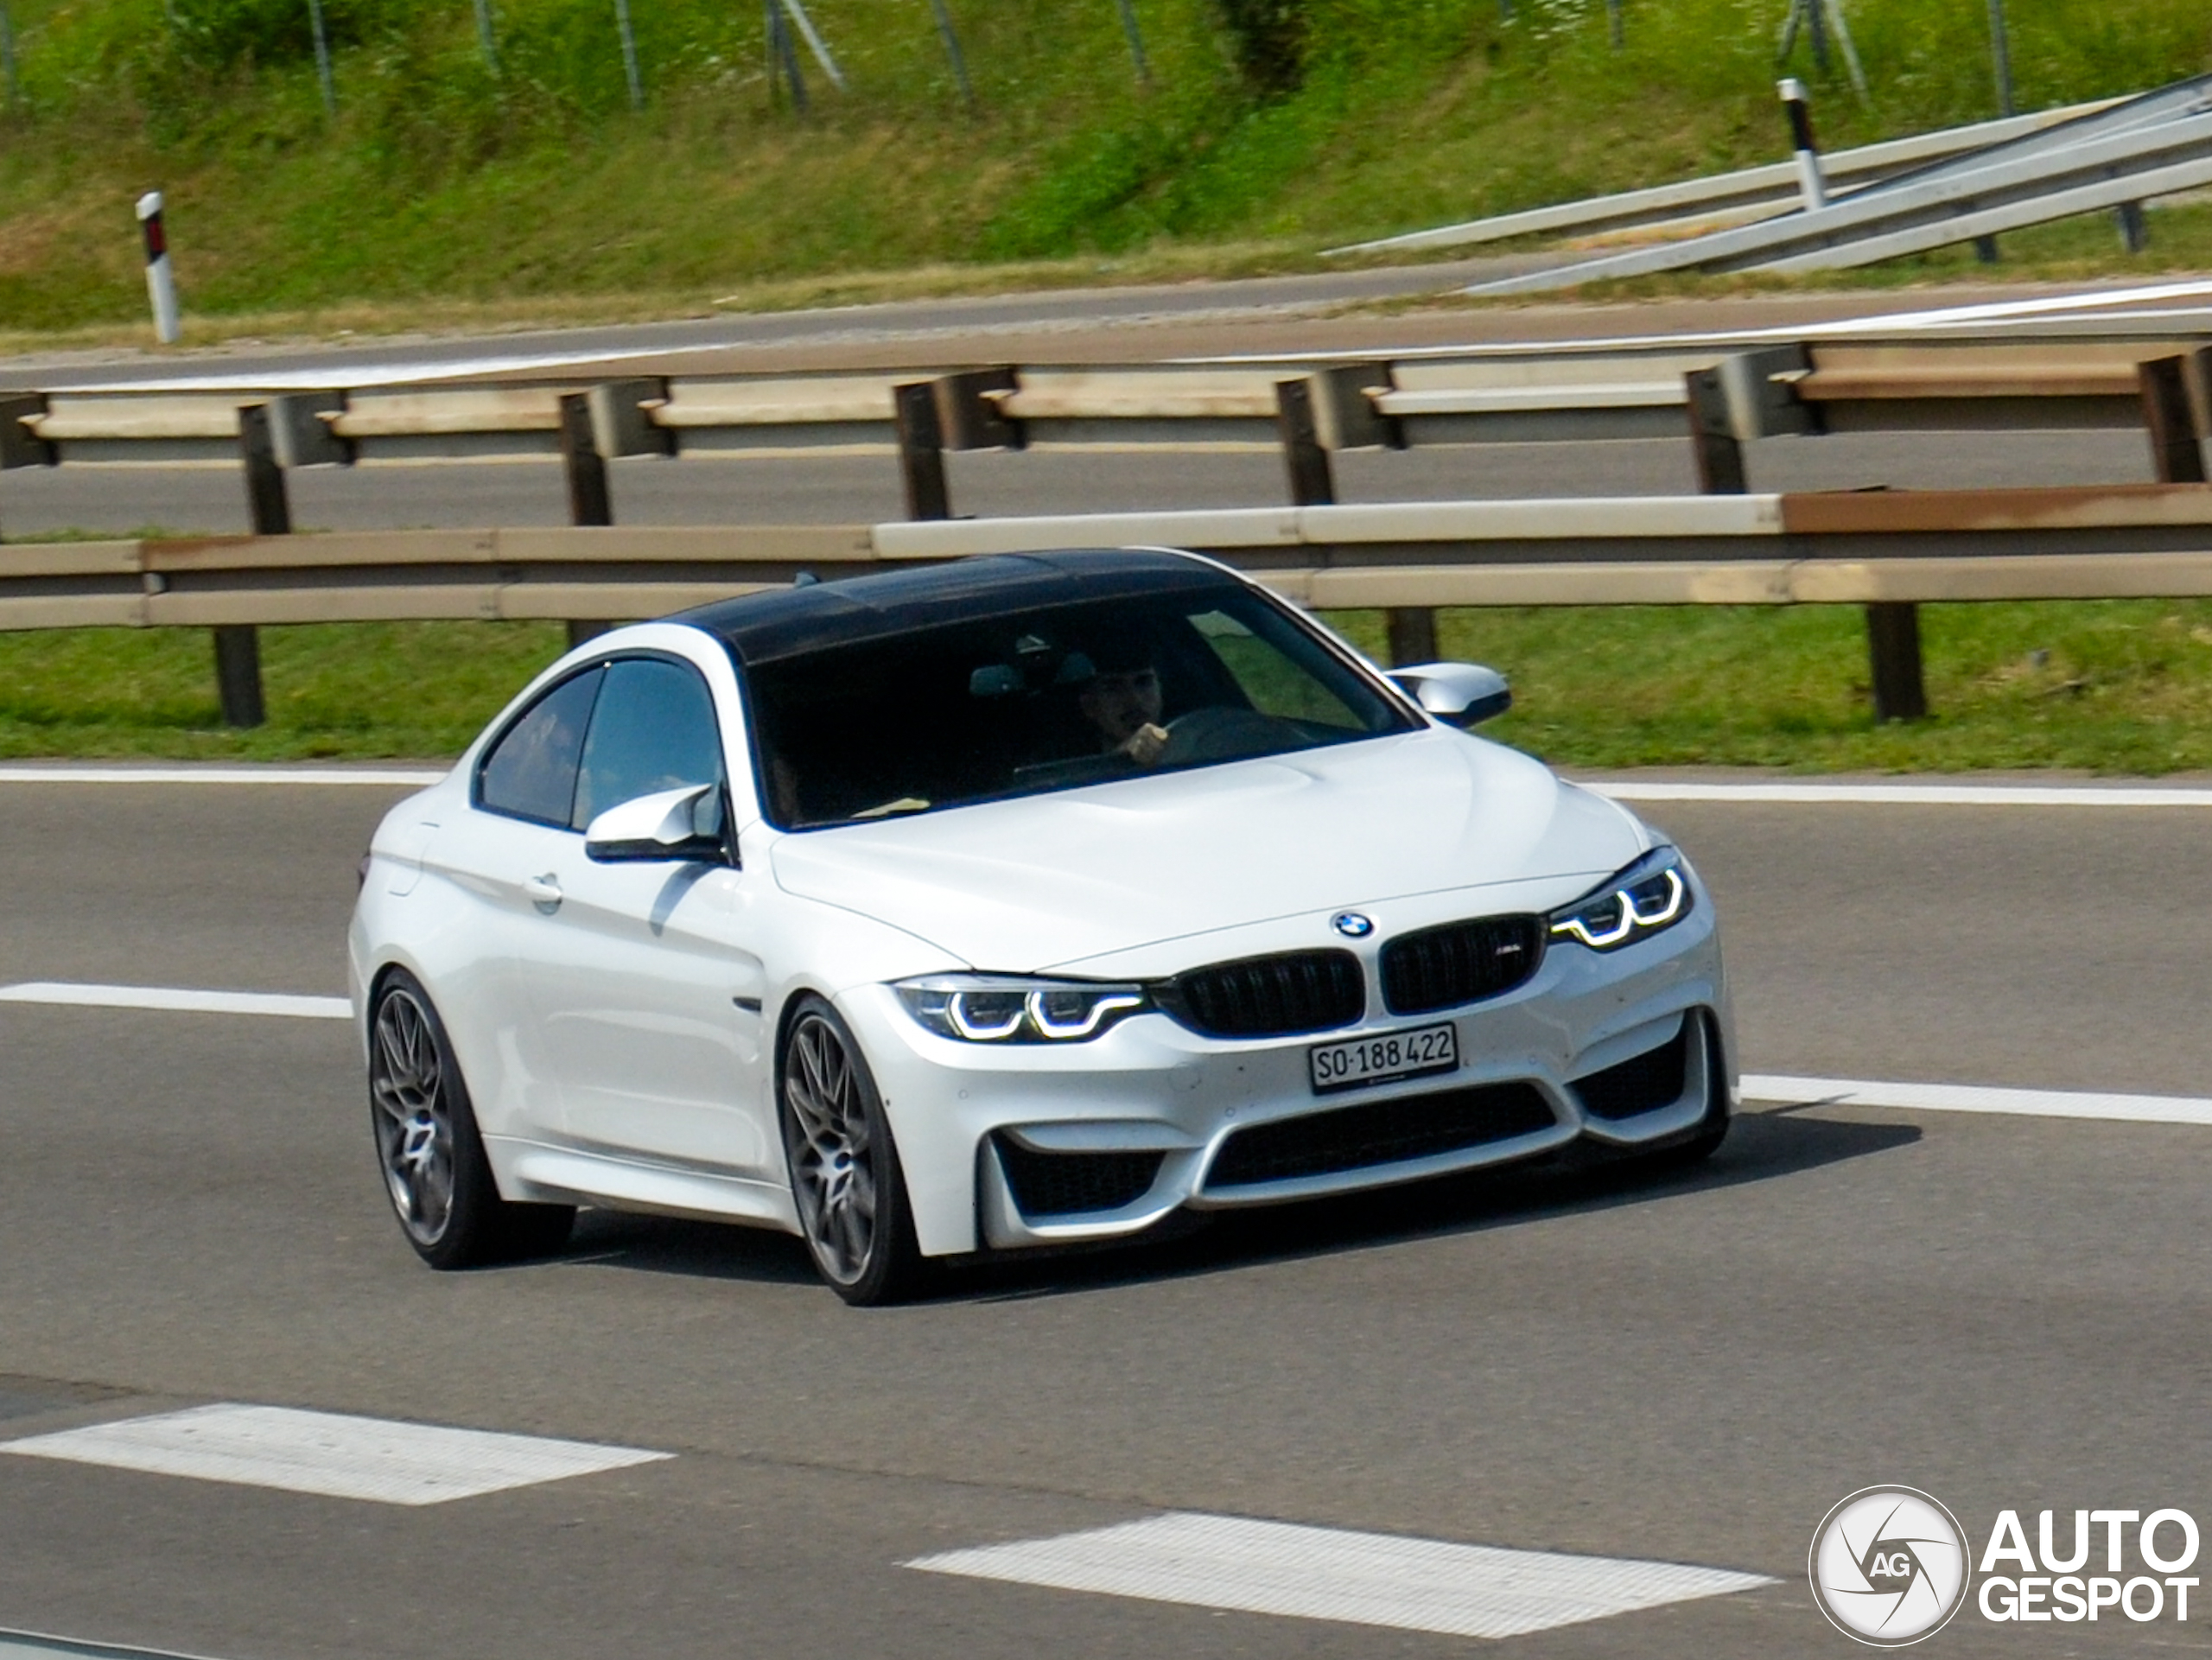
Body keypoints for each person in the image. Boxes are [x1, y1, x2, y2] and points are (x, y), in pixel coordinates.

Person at [1074, 639, 1171, 766]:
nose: (1135, 700)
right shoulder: (1071, 774)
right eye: (1114, 689)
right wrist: (1121, 759)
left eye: (1143, 683)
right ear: (1090, 705)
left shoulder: (1193, 746)